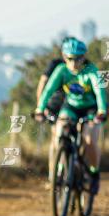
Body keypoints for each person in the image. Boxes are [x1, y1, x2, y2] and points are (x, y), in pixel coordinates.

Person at [35, 36, 108, 195]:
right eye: (70, 59)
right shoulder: (61, 70)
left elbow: (100, 92)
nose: (74, 63)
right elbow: (47, 90)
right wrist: (40, 109)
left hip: (91, 108)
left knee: (89, 140)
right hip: (71, 106)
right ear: (64, 57)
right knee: (59, 132)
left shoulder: (92, 71)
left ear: (84, 57)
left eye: (78, 59)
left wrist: (101, 111)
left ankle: (94, 174)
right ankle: (59, 171)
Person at [36, 50, 64, 184]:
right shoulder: (55, 65)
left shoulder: (84, 66)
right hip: (55, 105)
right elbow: (43, 83)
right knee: (56, 139)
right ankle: (53, 176)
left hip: (76, 106)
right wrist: (40, 107)